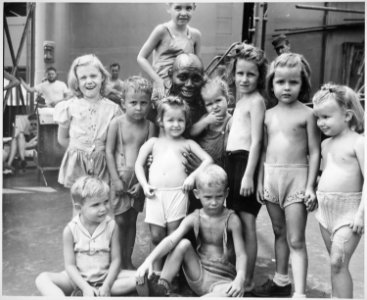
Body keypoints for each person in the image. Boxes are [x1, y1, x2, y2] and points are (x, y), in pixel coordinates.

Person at [255, 53, 320, 298]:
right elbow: (262, 151)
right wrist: (260, 181)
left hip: (297, 181)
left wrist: (311, 186)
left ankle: (300, 292)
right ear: (272, 83)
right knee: (279, 232)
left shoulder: (307, 114)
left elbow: (314, 153)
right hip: (272, 180)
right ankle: (281, 280)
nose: (286, 87)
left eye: (293, 82)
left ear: (302, 84)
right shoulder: (268, 115)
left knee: (296, 239)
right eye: (280, 82)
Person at [136, 164, 247, 297]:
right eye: (208, 197)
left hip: (222, 282)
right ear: (197, 194)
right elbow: (171, 240)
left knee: (229, 294)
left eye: (219, 196)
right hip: (198, 274)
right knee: (183, 244)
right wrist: (149, 260)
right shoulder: (195, 217)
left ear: (226, 193)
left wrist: (240, 279)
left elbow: (241, 255)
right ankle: (162, 287)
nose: (213, 202)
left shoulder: (232, 220)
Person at [135, 96, 212, 273]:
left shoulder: (188, 143)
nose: (176, 124)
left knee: (173, 235)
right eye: (171, 120)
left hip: (178, 194)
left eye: (180, 120)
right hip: (155, 194)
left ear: (186, 122)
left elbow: (208, 160)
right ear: (161, 121)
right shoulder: (153, 143)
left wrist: (192, 177)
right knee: (156, 236)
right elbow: (138, 165)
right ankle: (155, 271)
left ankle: (170, 275)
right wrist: (145, 185)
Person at [34, 176, 137, 296]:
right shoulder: (70, 230)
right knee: (42, 279)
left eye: (106, 202)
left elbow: (116, 260)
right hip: (77, 280)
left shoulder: (112, 226)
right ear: (79, 208)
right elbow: (70, 266)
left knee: (142, 274)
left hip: (105, 278)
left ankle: (96, 292)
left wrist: (107, 285)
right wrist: (85, 287)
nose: (103, 208)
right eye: (96, 205)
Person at [313, 83, 364, 298]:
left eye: (326, 117)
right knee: (335, 265)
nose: (320, 123)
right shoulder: (326, 145)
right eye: (318, 117)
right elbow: (324, 176)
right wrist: (312, 193)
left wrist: (362, 214)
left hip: (349, 212)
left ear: (347, 115)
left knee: (338, 260)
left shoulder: (359, 142)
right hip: (325, 212)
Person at [225, 43, 268, 294]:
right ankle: (238, 271)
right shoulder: (242, 100)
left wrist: (250, 175)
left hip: (245, 163)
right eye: (240, 73)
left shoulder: (256, 101)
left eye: (250, 74)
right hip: (233, 162)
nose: (244, 78)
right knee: (236, 222)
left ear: (259, 76)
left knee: (247, 222)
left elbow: (257, 141)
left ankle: (249, 279)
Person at [106, 76, 156, 270]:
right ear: (123, 103)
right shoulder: (116, 124)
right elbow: (109, 152)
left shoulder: (151, 127)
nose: (138, 107)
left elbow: (151, 155)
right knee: (119, 220)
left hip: (138, 179)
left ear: (150, 104)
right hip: (119, 177)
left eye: (143, 103)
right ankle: (116, 260)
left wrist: (142, 183)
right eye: (133, 103)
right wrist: (115, 179)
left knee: (132, 219)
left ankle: (128, 260)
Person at [54, 54, 122, 188]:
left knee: (100, 200)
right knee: (80, 201)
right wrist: (80, 148)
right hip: (77, 163)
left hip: (102, 163)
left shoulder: (113, 109)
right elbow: (62, 138)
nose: (89, 81)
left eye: (93, 76)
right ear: (77, 82)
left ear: (102, 77)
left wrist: (99, 151)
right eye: (83, 78)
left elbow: (116, 143)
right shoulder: (69, 107)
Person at [137, 3, 201, 114]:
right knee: (162, 121)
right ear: (168, 8)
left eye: (188, 8)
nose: (183, 13)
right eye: (178, 8)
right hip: (163, 90)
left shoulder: (195, 35)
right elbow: (141, 57)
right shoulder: (162, 31)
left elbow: (197, 66)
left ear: (194, 8)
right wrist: (157, 80)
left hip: (184, 89)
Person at [190, 76, 232, 168]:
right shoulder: (206, 118)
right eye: (209, 104)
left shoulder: (230, 121)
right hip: (201, 161)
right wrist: (205, 121)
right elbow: (192, 132)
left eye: (218, 100)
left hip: (218, 165)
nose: (214, 106)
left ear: (227, 99)